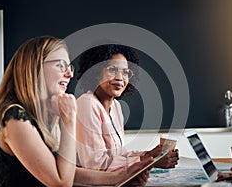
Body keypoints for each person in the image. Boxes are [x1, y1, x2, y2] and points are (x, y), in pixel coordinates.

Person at [0, 36, 153, 187]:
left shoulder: (37, 117)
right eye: (61, 65)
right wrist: (68, 120)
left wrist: (121, 177)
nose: (69, 74)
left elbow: (67, 171)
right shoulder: (14, 118)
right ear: (34, 67)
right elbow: (62, 183)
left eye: (69, 67)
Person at [76, 44, 179, 172]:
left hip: (110, 183)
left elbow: (118, 156)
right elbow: (95, 165)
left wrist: (149, 154)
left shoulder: (116, 107)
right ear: (95, 72)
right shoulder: (86, 104)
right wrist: (149, 161)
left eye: (126, 72)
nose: (120, 77)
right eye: (112, 70)